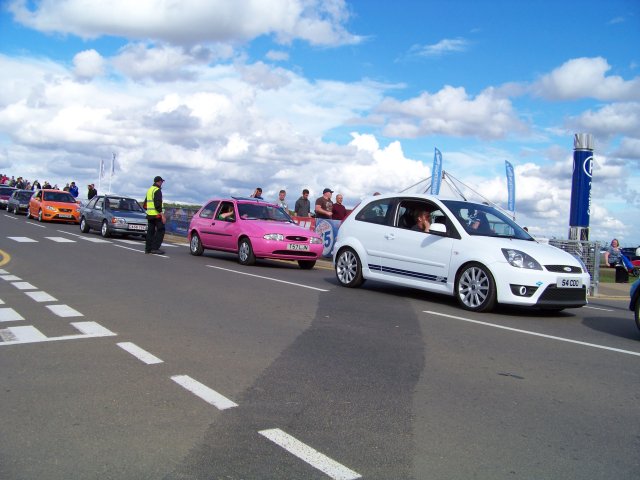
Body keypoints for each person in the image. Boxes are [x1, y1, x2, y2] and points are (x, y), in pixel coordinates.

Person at [144, 176, 166, 255]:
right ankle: (155, 248)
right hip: (157, 215)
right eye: (161, 182)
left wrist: (149, 211)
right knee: (161, 230)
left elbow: (145, 204)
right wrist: (162, 214)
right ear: (159, 182)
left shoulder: (150, 190)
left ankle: (148, 249)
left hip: (150, 215)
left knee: (150, 232)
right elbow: (157, 204)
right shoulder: (157, 190)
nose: (162, 183)